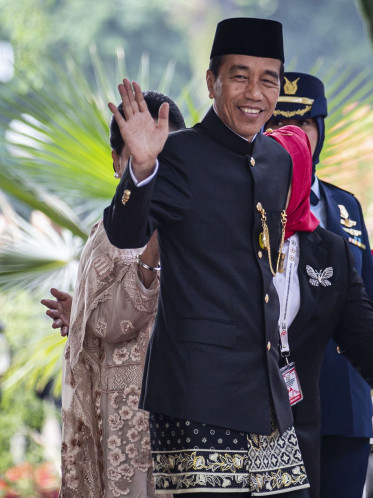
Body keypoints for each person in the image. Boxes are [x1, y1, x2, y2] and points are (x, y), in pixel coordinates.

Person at [103, 17, 373, 497]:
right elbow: (124, 233)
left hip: (269, 394)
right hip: (197, 395)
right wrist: (141, 168)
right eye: (239, 76)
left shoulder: (277, 161)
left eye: (268, 79)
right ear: (212, 81)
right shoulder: (175, 153)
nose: (254, 92)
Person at [44, 91, 185, 497]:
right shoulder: (111, 230)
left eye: (163, 154)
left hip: (178, 401)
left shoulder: (192, 218)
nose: (153, 164)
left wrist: (84, 315)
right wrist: (84, 316)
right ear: (117, 161)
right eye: (139, 154)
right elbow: (110, 321)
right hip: (129, 414)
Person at [266, 72, 373, 498]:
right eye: (282, 124)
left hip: (347, 395)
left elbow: (369, 304)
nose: (297, 135)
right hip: (278, 402)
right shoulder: (248, 203)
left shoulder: (346, 206)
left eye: (307, 124)